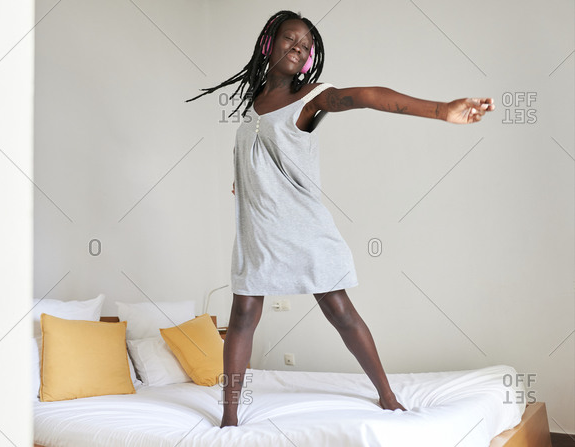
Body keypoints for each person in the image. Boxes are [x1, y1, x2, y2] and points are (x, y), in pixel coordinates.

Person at [186, 10, 494, 428]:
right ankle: (229, 418)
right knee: (241, 316)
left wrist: (441, 110)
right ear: (268, 43)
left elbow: (367, 95)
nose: (299, 47)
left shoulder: (311, 98)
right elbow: (257, 151)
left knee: (339, 311)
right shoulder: (255, 101)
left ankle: (387, 395)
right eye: (290, 38)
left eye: (307, 44)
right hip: (257, 230)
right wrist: (242, 179)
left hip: (303, 228)